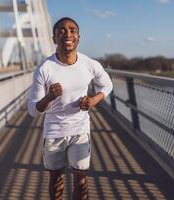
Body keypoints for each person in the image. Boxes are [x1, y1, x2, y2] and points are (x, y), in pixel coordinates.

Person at [28, 17, 113, 200]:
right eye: (62, 30)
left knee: (81, 179)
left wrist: (92, 101)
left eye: (72, 30)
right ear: (54, 38)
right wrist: (49, 97)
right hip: (54, 132)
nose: (68, 34)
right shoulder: (45, 69)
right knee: (56, 178)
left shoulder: (89, 64)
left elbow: (107, 85)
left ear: (78, 38)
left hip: (80, 130)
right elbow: (33, 111)